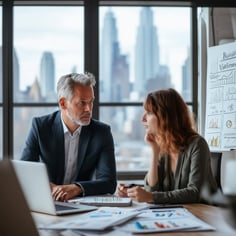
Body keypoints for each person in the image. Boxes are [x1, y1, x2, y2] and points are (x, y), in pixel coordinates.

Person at [21, 72, 117, 201]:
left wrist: (76, 188)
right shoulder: (40, 127)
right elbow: (24, 173)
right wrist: (49, 188)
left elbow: (109, 183)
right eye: (82, 103)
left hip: (82, 204)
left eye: (91, 102)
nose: (88, 109)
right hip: (47, 200)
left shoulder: (102, 132)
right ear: (63, 103)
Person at [118, 88, 218, 204]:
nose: (143, 118)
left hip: (204, 215)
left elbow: (194, 193)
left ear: (164, 116)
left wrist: (150, 196)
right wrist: (155, 151)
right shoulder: (164, 147)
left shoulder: (198, 145)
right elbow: (152, 189)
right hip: (180, 215)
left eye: (149, 113)